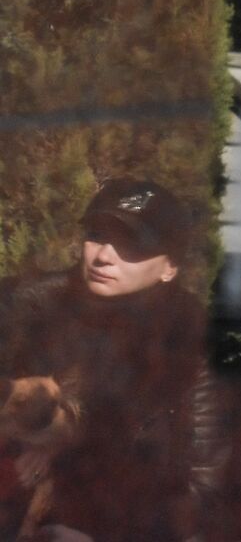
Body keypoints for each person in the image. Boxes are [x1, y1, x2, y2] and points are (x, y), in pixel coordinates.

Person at [0, 179, 226, 542]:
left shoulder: (192, 337)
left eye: (132, 246)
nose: (104, 256)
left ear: (170, 267)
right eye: (96, 236)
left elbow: (204, 472)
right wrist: (25, 443)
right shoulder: (31, 304)